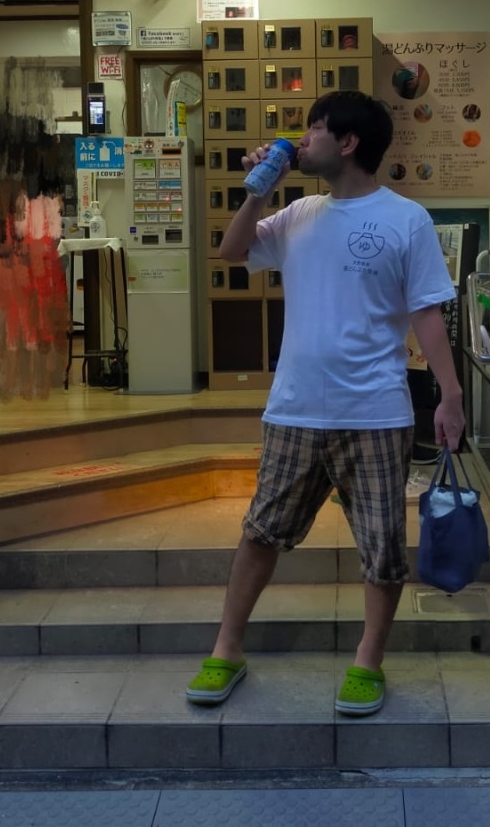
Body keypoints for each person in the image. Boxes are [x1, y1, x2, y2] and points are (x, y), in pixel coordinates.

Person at [186, 90, 464, 716]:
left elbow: (426, 313)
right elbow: (231, 252)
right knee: (260, 534)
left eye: (314, 128)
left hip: (375, 412)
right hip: (294, 409)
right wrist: (259, 188)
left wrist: (449, 395)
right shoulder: (298, 213)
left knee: (382, 546)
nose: (301, 137)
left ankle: (368, 661)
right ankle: (226, 649)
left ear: (348, 143)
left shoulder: (405, 219)